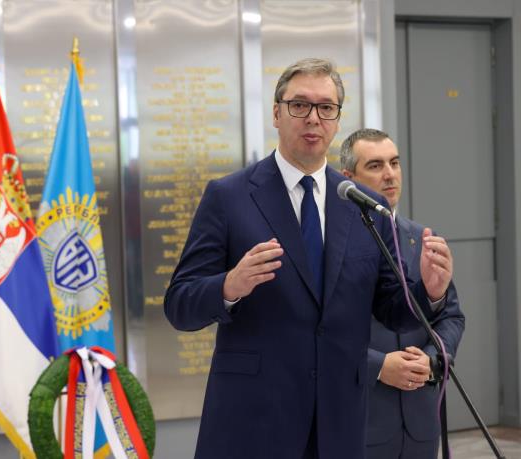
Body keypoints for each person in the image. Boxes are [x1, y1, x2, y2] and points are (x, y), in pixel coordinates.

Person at [164, 58, 460, 459]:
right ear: (276, 113)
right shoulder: (229, 197)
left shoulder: (364, 205)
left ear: (337, 120)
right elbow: (180, 305)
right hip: (253, 422)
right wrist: (229, 286)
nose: (313, 118)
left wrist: (430, 291)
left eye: (326, 107)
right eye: (300, 105)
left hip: (338, 424)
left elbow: (393, 309)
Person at [340, 128, 464, 459]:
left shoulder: (423, 238)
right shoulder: (332, 245)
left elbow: (451, 316)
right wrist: (379, 366)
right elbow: (320, 333)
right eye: (375, 165)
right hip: (362, 418)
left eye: (394, 163)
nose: (390, 174)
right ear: (348, 179)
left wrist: (432, 359)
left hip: (421, 422)